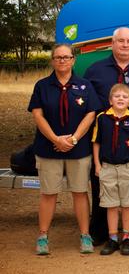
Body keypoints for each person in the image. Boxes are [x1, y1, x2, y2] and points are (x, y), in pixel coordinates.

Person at [84, 27, 129, 245]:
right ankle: (99, 231)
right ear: (112, 43)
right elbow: (88, 106)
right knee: (101, 187)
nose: (125, 45)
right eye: (121, 41)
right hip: (105, 141)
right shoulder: (95, 71)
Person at [30, 43, 100, 255]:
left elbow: (91, 114)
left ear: (73, 60)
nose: (62, 60)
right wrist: (56, 139)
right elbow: (37, 115)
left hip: (78, 150)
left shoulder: (85, 85)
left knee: (79, 192)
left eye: (66, 57)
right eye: (58, 57)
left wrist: (74, 139)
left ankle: (85, 235)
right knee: (48, 193)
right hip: (48, 148)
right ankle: (43, 236)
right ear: (52, 60)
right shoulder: (42, 85)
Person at [92, 84, 129, 256]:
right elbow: (96, 142)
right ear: (110, 100)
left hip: (128, 167)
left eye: (125, 96)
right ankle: (113, 238)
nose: (120, 99)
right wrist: (98, 165)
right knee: (111, 205)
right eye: (117, 96)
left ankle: (127, 238)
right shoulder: (102, 118)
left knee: (128, 204)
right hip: (107, 167)